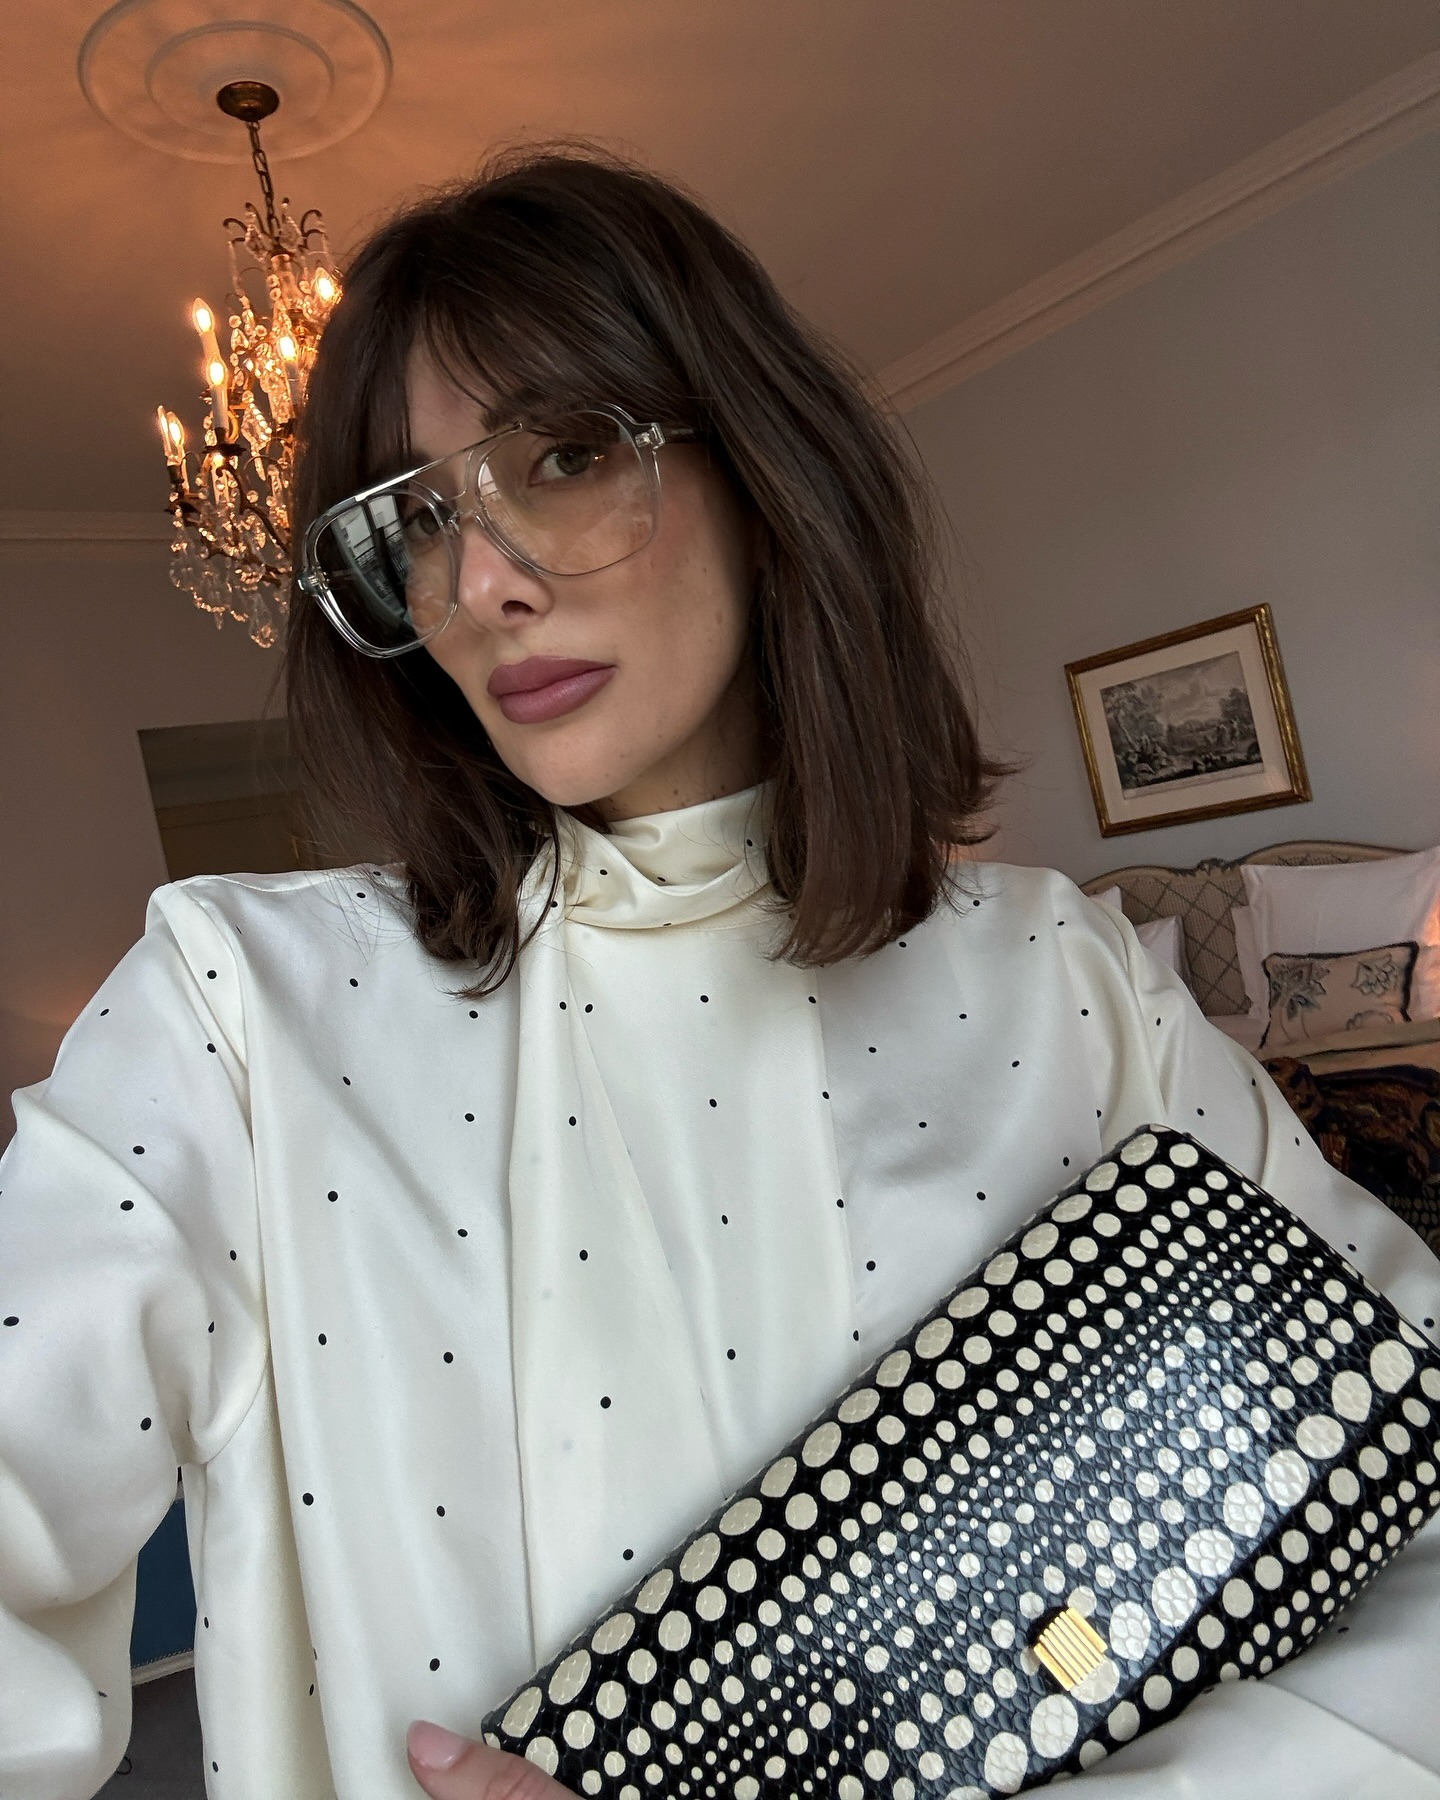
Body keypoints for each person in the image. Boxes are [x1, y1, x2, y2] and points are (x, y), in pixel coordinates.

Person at [2, 147, 1438, 1800]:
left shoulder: (1074, 980)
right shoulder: (232, 1009)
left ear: (763, 471)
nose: (481, 583)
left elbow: (1410, 1458)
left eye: (561, 453)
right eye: (411, 521)